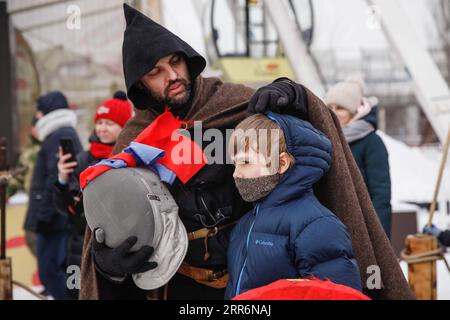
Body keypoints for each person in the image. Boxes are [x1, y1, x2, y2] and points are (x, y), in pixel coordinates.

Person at [79, 4, 413, 300]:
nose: (173, 76)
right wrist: (108, 266)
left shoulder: (235, 104)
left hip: (257, 275)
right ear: (140, 86)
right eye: (156, 72)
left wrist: (297, 101)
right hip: (176, 286)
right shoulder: (135, 141)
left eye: (175, 62)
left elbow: (305, 146)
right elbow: (114, 216)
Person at [225, 113, 362, 299]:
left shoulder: (316, 225)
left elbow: (338, 295)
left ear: (281, 163)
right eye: (234, 164)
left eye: (245, 162)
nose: (236, 174)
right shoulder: (246, 223)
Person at [53, 91, 132, 299]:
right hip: (80, 248)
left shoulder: (131, 158)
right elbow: (67, 209)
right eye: (100, 122)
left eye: (110, 123)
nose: (102, 128)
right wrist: (62, 180)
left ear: (125, 127)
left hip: (118, 250)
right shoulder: (82, 158)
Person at [24, 91, 83, 299]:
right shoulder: (60, 135)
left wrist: (43, 218)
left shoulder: (57, 136)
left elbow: (54, 180)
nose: (37, 116)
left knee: (51, 273)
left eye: (40, 110)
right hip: (58, 219)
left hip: (53, 222)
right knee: (56, 272)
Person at [324, 77, 392, 238]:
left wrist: (379, 237)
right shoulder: (324, 139)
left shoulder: (372, 142)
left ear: (354, 112)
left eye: (340, 108)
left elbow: (381, 194)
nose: (334, 112)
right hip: (331, 226)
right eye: (330, 107)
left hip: (361, 228)